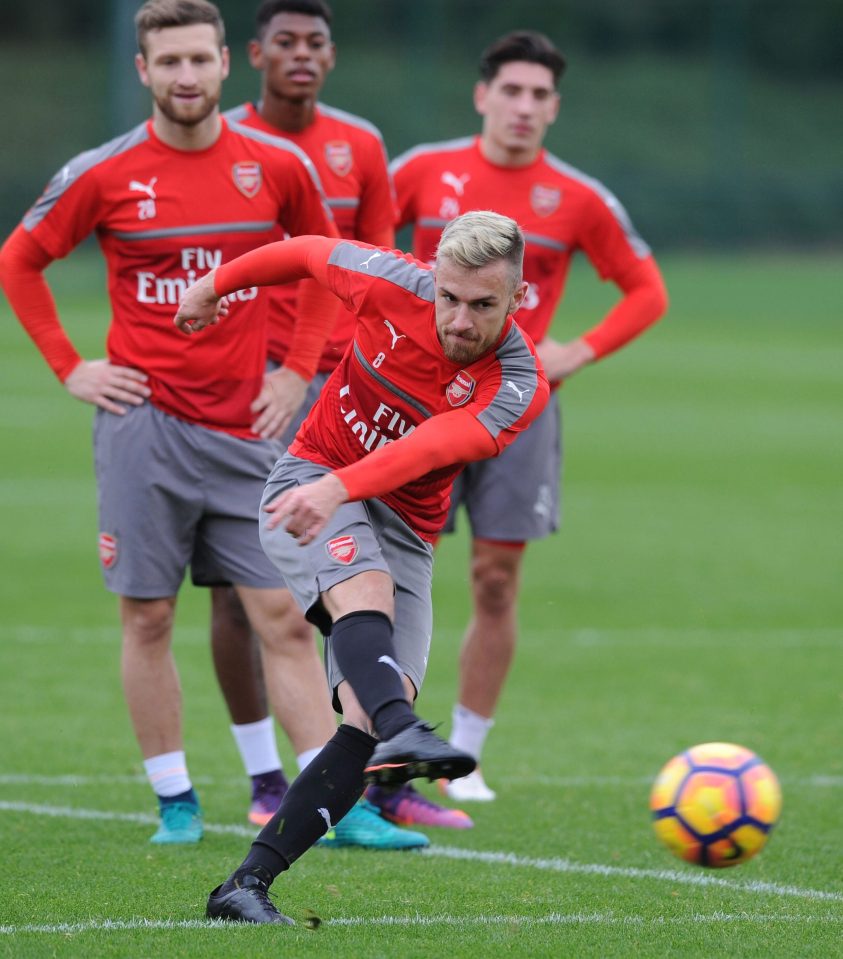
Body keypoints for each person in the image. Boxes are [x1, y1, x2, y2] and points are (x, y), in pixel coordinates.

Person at [0, 0, 344, 845]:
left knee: (283, 615)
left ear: (227, 64)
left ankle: (330, 804)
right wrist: (70, 365)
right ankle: (176, 803)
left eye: (199, 59)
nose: (185, 76)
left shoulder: (276, 164)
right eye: (169, 62)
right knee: (148, 617)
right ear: (142, 71)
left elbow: (325, 263)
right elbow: (21, 258)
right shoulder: (105, 172)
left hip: (244, 430)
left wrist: (297, 371)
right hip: (142, 427)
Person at [172, 210, 549, 923]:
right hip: (308, 481)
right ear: (431, 281)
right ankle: (405, 721)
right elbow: (310, 251)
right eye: (448, 297)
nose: (459, 321)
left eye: (482, 304)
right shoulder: (388, 280)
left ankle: (243, 887)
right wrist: (214, 285)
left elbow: (434, 445)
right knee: (365, 604)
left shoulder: (515, 383)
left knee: (363, 719)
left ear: (517, 297)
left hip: (397, 521)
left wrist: (342, 488)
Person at [204, 0, 464, 839]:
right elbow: (302, 259)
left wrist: (345, 366)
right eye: (285, 41)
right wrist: (274, 363)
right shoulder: (235, 146)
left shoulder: (361, 145)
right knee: (245, 597)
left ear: (332, 53)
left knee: (346, 595)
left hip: (349, 388)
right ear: (255, 54)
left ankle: (372, 788)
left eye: (316, 41)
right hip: (251, 387)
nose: (301, 55)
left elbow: (377, 264)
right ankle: (267, 777)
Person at [390, 31, 669, 802]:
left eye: (538, 95)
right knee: (392, 571)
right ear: (482, 95)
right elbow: (356, 253)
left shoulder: (577, 197)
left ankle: (465, 754)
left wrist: (574, 351)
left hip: (517, 405)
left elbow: (646, 291)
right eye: (509, 90)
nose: (523, 106)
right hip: (415, 399)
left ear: (554, 107)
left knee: (495, 579)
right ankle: (384, 737)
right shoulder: (418, 171)